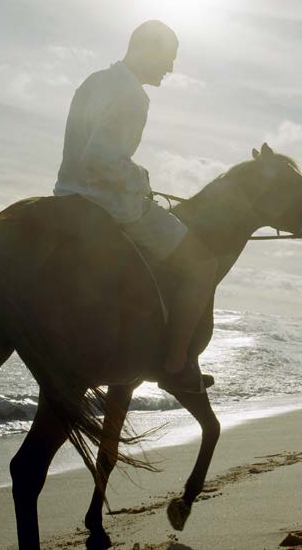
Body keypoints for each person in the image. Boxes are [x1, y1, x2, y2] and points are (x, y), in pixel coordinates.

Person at [54, 20, 216, 393]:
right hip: (110, 205)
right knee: (201, 265)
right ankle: (176, 366)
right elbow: (100, 158)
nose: (170, 68)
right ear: (146, 50)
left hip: (66, 195)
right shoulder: (133, 96)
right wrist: (141, 180)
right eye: (168, 58)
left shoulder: (94, 80)